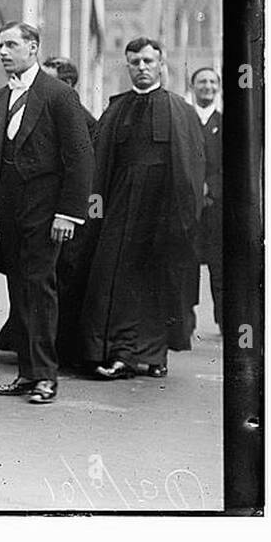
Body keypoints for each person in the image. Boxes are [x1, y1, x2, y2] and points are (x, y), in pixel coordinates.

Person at [0, 22, 93, 406]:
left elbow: (80, 158)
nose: (3, 52)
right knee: (19, 290)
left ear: (33, 48)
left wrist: (68, 213)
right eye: (0, 45)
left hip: (47, 212)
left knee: (40, 290)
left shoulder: (58, 95)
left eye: (11, 44)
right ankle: (28, 374)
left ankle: (45, 377)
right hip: (10, 212)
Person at [80, 38, 205, 379]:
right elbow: (99, 169)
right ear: (128, 66)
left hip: (162, 217)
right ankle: (120, 353)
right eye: (135, 62)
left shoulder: (181, 111)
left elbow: (191, 173)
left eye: (148, 61)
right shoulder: (116, 109)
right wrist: (95, 217)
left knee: (157, 285)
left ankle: (153, 354)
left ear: (161, 63)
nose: (142, 68)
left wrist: (183, 222)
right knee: (115, 282)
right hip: (119, 215)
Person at [190, 66, 223, 328]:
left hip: (216, 207)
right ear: (193, 86)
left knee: (219, 266)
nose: (207, 87)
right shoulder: (184, 120)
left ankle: (224, 320)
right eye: (202, 81)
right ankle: (182, 325)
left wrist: (210, 187)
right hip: (187, 207)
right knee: (185, 264)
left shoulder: (225, 124)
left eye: (212, 82)